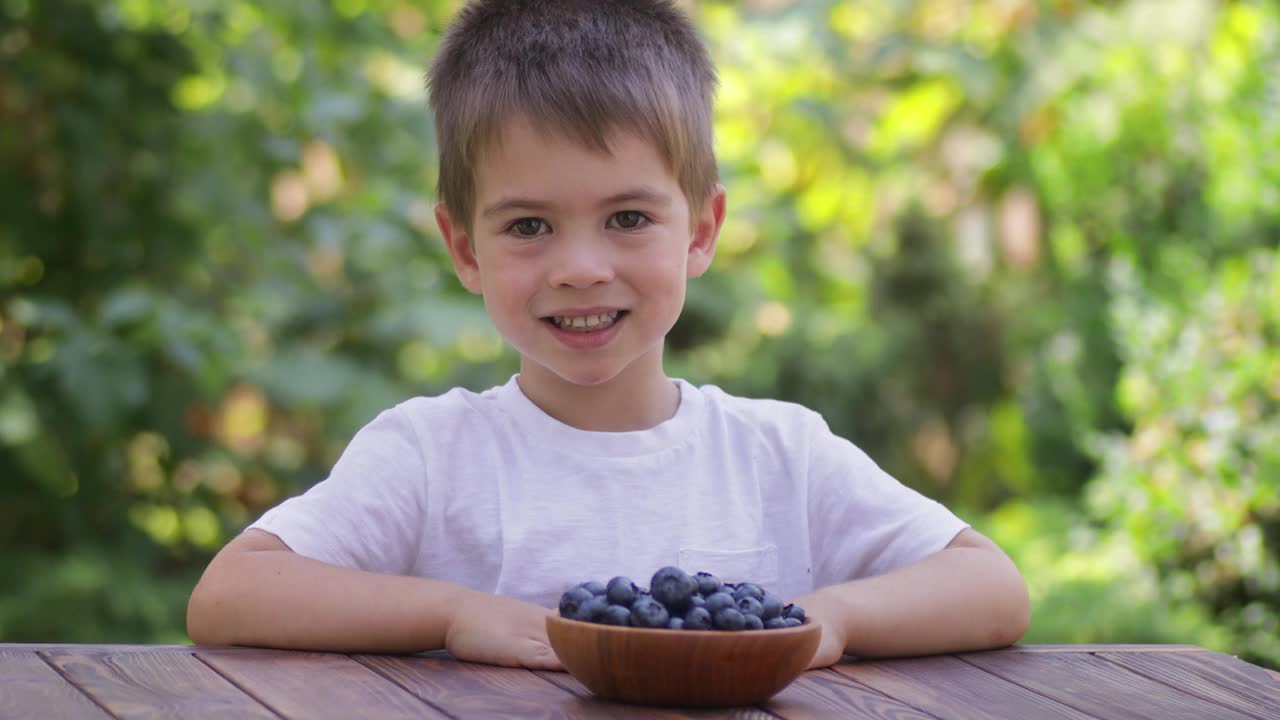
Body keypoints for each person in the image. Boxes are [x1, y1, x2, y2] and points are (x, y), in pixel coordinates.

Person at [187, 0, 1030, 671]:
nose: (581, 267)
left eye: (627, 217)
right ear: (463, 248)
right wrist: (455, 613)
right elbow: (232, 594)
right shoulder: (432, 455)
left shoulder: (779, 455)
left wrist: (827, 621)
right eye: (528, 226)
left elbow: (991, 587)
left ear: (701, 232)